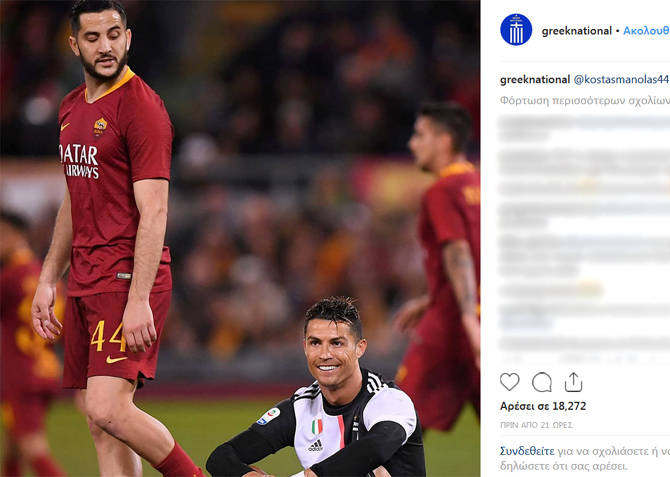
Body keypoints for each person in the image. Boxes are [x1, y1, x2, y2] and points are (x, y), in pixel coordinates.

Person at [30, 1, 203, 475]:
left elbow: (155, 209)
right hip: (86, 278)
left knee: (108, 408)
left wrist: (138, 298)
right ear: (74, 45)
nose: (105, 46)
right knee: (99, 423)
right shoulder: (70, 107)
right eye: (92, 37)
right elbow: (75, 198)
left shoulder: (141, 107)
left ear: (128, 38)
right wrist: (48, 278)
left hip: (124, 276)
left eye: (113, 34)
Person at [206, 296, 426, 477]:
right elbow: (221, 457)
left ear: (360, 348)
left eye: (337, 343)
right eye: (315, 343)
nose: (324, 354)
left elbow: (376, 447)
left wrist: (312, 475)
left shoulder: (390, 400)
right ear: (305, 347)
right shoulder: (301, 407)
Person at [394, 102, 480, 432]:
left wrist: (467, 318)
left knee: (395, 421)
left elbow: (458, 251)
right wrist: (432, 298)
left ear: (444, 141)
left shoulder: (442, 191)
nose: (412, 143)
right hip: (480, 317)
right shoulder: (481, 185)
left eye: (420, 135)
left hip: (452, 325)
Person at [1, 210, 67, 477]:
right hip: (46, 366)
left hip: (20, 372)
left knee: (32, 447)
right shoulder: (47, 278)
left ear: (15, 236)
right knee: (13, 446)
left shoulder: (9, 278)